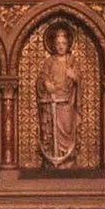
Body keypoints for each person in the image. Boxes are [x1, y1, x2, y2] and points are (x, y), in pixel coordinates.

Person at [33, 19, 88, 170]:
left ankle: (67, 159)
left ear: (68, 44)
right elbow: (41, 78)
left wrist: (74, 77)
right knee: (51, 130)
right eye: (58, 44)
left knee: (66, 129)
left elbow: (79, 80)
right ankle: (52, 157)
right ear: (53, 45)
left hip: (66, 103)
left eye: (63, 43)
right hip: (51, 101)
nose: (61, 46)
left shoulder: (72, 61)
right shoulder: (49, 62)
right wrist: (45, 83)